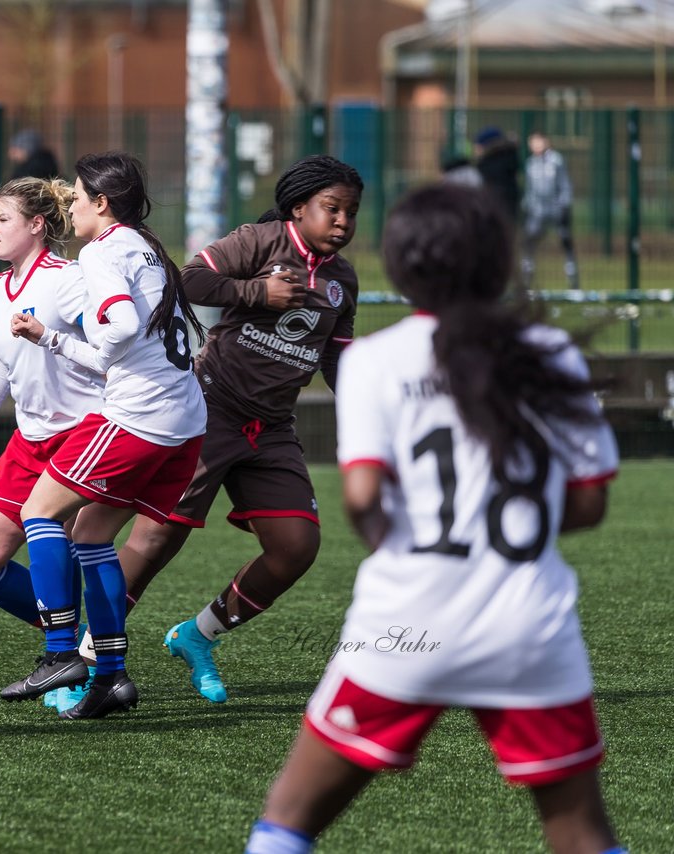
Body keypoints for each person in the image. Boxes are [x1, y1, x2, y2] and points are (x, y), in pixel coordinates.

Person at [242, 182, 624, 854]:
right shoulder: (548, 353)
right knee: (582, 835)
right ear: (499, 264)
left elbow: (362, 497)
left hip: (405, 627)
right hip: (528, 627)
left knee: (288, 821)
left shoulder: (374, 362)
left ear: (402, 264)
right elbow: (590, 502)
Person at [112, 155, 361, 705]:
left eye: (352, 213)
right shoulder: (260, 241)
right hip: (210, 409)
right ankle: (87, 656)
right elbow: (191, 278)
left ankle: (196, 636)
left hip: (271, 427)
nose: (343, 221)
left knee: (296, 547)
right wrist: (258, 294)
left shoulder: (343, 280)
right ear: (300, 208)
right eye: (332, 208)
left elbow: (339, 360)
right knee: (156, 537)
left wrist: (375, 411)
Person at [5, 151, 207, 720]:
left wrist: (91, 328)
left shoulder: (101, 250)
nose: (69, 203)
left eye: (75, 195)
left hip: (140, 417)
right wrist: (51, 337)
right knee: (91, 536)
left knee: (39, 513)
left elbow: (116, 330)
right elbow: (119, 351)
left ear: (102, 203)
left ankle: (61, 652)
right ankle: (113, 677)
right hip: (184, 423)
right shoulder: (146, 246)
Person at [0, 175, 104, 711]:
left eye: (1, 219)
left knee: (75, 544)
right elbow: (2, 361)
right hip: (28, 441)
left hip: (83, 435)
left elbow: (109, 352)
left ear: (36, 225)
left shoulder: (69, 280)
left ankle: (66, 656)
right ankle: (75, 640)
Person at [522, 131, 580, 290]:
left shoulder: (556, 161)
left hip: (556, 209)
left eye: (538, 141)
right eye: (533, 142)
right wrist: (528, 206)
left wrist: (564, 205)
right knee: (529, 244)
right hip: (538, 211)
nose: (536, 145)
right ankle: (527, 280)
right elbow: (530, 190)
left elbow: (564, 184)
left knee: (565, 241)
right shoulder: (530, 163)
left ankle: (573, 281)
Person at [473, 126, 521, 225]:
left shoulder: (490, 166)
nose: (475, 150)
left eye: (478, 147)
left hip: (495, 213)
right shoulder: (508, 158)